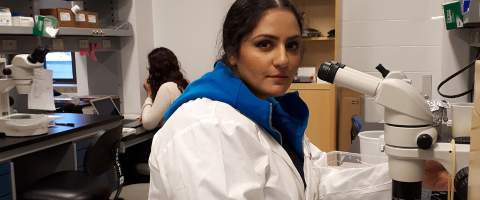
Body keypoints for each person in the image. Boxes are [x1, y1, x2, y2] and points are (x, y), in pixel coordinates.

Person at [148, 0, 449, 199]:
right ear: (232, 52)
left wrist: (411, 174)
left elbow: (314, 182)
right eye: (265, 44)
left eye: (292, 45)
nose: (284, 59)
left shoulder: (264, 111)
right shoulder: (206, 129)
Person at [140, 47, 189, 130]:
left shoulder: (167, 88)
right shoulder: (182, 84)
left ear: (156, 70)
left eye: (150, 68)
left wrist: (149, 94)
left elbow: (148, 124)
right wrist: (151, 113)